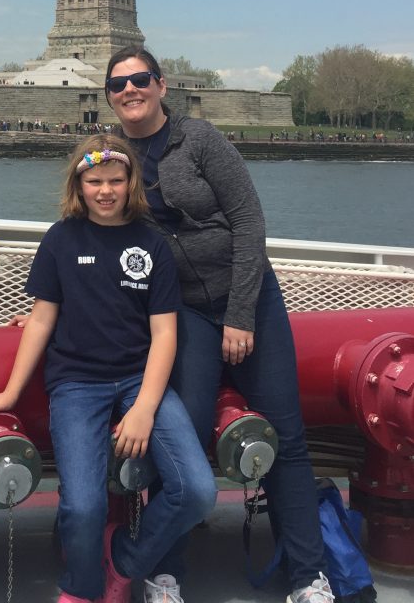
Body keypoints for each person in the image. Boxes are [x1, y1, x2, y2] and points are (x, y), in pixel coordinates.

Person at [104, 46, 332, 603]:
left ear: (161, 86)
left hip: (248, 299)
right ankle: (166, 574)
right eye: (118, 84)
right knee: (180, 440)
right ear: (108, 97)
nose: (130, 90)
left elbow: (249, 221)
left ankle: (308, 576)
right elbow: (89, 230)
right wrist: (55, 303)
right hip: (180, 310)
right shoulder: (110, 153)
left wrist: (240, 315)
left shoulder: (200, 138)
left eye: (140, 79)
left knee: (286, 438)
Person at [0, 135, 215, 603]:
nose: (105, 191)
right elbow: (42, 320)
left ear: (131, 183)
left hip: (139, 379)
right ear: (78, 185)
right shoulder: (60, 239)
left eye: (115, 181)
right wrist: (11, 392)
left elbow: (165, 334)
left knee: (197, 491)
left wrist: (144, 409)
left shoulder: (151, 245)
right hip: (77, 383)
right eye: (95, 181)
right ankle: (81, 588)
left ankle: (125, 562)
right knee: (83, 507)